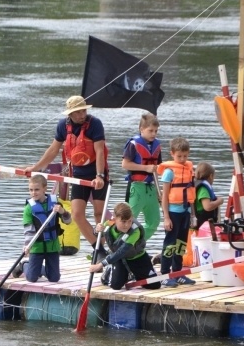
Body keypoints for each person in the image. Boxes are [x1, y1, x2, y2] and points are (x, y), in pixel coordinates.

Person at [25, 95, 107, 252]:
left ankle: (104, 247)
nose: (81, 115)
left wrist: (100, 175)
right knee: (76, 214)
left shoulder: (94, 124)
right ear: (69, 114)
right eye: (77, 112)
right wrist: (36, 168)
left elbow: (99, 151)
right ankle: (100, 251)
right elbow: (53, 150)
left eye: (83, 111)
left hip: (97, 174)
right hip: (78, 175)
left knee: (99, 214)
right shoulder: (63, 126)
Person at [88, 202, 161, 290]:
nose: (127, 225)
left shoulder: (135, 231)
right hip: (119, 259)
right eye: (123, 221)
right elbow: (97, 235)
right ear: (115, 219)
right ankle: (109, 272)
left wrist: (100, 265)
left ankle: (134, 274)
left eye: (129, 221)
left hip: (137, 258)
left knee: (155, 285)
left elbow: (122, 251)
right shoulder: (108, 224)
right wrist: (96, 230)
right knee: (115, 285)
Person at [14, 175, 72, 282]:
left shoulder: (55, 203)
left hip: (53, 247)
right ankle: (24, 265)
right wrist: (27, 246)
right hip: (37, 247)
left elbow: (68, 221)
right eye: (31, 190)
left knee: (54, 278)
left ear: (45, 188)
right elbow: (28, 231)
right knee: (32, 278)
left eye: (37, 189)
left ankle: (43, 270)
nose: (33, 193)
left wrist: (63, 212)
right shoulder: (28, 208)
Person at [157, 137, 197, 287]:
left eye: (185, 156)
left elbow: (191, 194)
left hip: (185, 212)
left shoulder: (188, 169)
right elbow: (165, 197)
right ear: (172, 154)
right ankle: (165, 274)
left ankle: (178, 273)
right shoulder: (169, 172)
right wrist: (166, 218)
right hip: (173, 213)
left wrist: (193, 215)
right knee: (170, 244)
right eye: (179, 156)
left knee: (181, 243)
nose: (182, 159)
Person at [121, 113, 162, 242]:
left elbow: (158, 168)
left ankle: (135, 244)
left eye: (156, 131)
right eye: (150, 131)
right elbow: (125, 164)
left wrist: (160, 191)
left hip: (151, 188)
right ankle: (119, 246)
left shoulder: (157, 145)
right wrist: (145, 168)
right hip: (137, 187)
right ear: (141, 129)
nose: (153, 134)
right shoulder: (133, 144)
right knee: (127, 221)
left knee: (154, 222)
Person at [194, 162, 224, 230]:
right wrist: (219, 201)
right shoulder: (203, 189)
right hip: (203, 223)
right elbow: (207, 207)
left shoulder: (198, 185)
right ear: (211, 176)